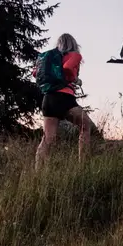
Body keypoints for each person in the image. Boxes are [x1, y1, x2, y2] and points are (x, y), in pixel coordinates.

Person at [35, 33, 92, 170]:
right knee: (85, 125)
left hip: (48, 99)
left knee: (48, 139)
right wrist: (74, 79)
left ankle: (38, 172)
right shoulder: (75, 55)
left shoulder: (51, 59)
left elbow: (35, 73)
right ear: (73, 44)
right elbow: (67, 68)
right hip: (64, 99)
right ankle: (83, 166)